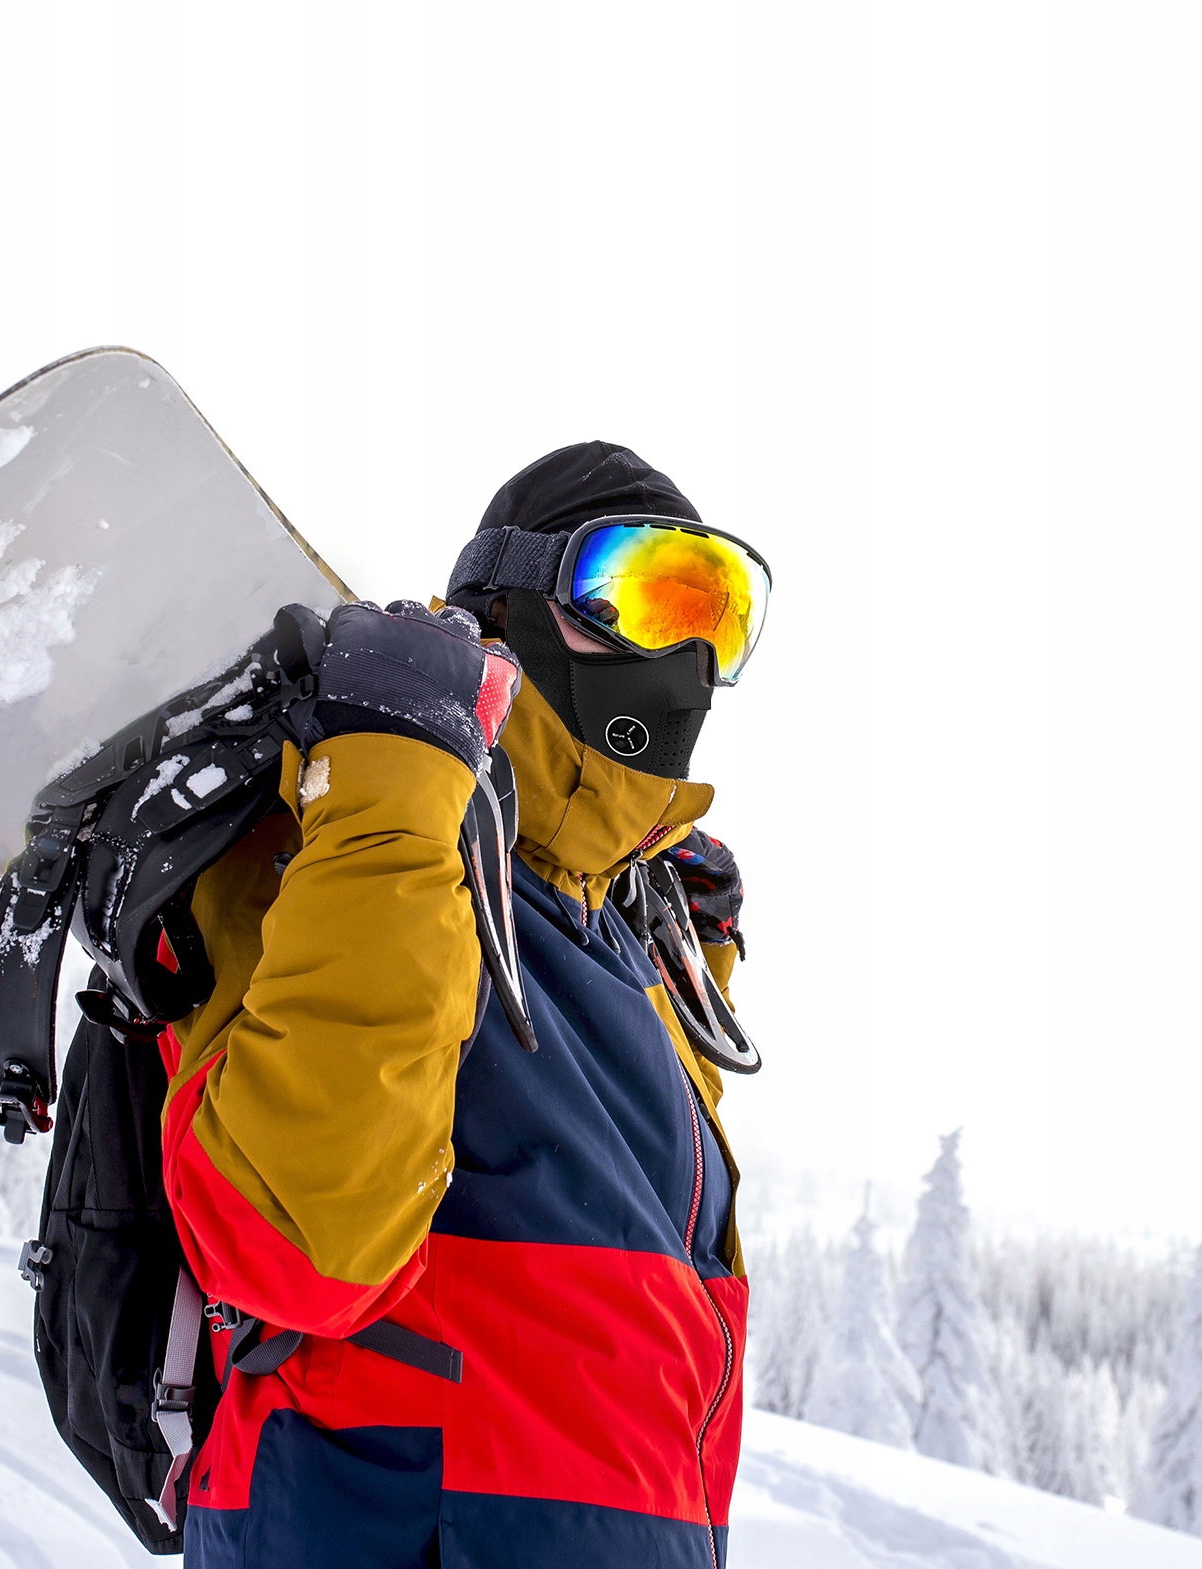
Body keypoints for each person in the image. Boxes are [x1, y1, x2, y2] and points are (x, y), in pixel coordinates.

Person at [159, 442, 768, 1567]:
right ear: (506, 605)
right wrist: (387, 782)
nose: (680, 654)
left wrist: (688, 963)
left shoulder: (608, 922)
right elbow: (301, 1244)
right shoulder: (359, 823)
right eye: (639, 596)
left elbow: (586, 1210)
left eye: (717, 620)